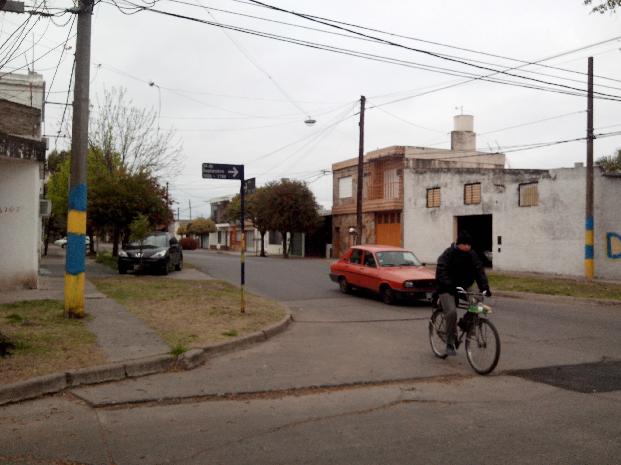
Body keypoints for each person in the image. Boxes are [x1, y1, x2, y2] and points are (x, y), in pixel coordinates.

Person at [435, 231, 491, 356]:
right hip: (447, 287)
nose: (467, 247)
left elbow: (479, 271)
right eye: (464, 244)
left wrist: (484, 288)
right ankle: (449, 344)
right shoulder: (448, 254)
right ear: (458, 243)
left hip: (464, 285)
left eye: (469, 244)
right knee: (451, 312)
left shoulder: (472, 254)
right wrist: (450, 285)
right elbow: (441, 270)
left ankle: (465, 322)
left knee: (478, 300)